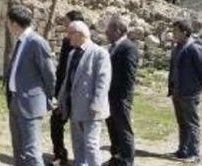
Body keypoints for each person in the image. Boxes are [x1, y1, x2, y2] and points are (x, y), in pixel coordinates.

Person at [5, 5, 56, 166]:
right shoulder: (21, 41)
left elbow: (50, 74)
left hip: (30, 104)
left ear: (14, 24)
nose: (7, 26)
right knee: (18, 150)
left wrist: (48, 96)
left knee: (31, 152)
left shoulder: (36, 42)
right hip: (15, 101)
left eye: (8, 22)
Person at [57, 21, 111, 166]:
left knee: (91, 145)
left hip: (91, 108)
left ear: (80, 34)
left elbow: (103, 82)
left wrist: (96, 105)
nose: (68, 37)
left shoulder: (100, 53)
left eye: (70, 34)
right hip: (74, 106)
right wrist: (61, 101)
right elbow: (67, 80)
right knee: (78, 145)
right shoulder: (72, 53)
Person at [168, 19, 202, 163]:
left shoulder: (194, 48)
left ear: (184, 32)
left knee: (192, 123)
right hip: (177, 91)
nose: (173, 33)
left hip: (190, 93)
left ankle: (194, 154)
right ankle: (183, 150)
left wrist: (201, 84)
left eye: (176, 31)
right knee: (182, 123)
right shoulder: (177, 46)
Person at [50, 10, 86, 166]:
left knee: (80, 131)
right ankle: (60, 154)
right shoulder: (66, 42)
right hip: (64, 92)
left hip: (79, 95)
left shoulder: (90, 47)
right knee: (56, 122)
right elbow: (62, 69)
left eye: (66, 22)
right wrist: (57, 92)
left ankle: (83, 159)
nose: (64, 25)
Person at [105, 15, 141, 166]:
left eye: (109, 30)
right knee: (112, 128)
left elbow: (129, 76)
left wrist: (123, 98)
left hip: (120, 97)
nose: (106, 33)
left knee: (123, 129)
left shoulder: (129, 48)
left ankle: (126, 160)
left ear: (118, 30)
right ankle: (116, 156)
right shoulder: (113, 47)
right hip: (110, 96)